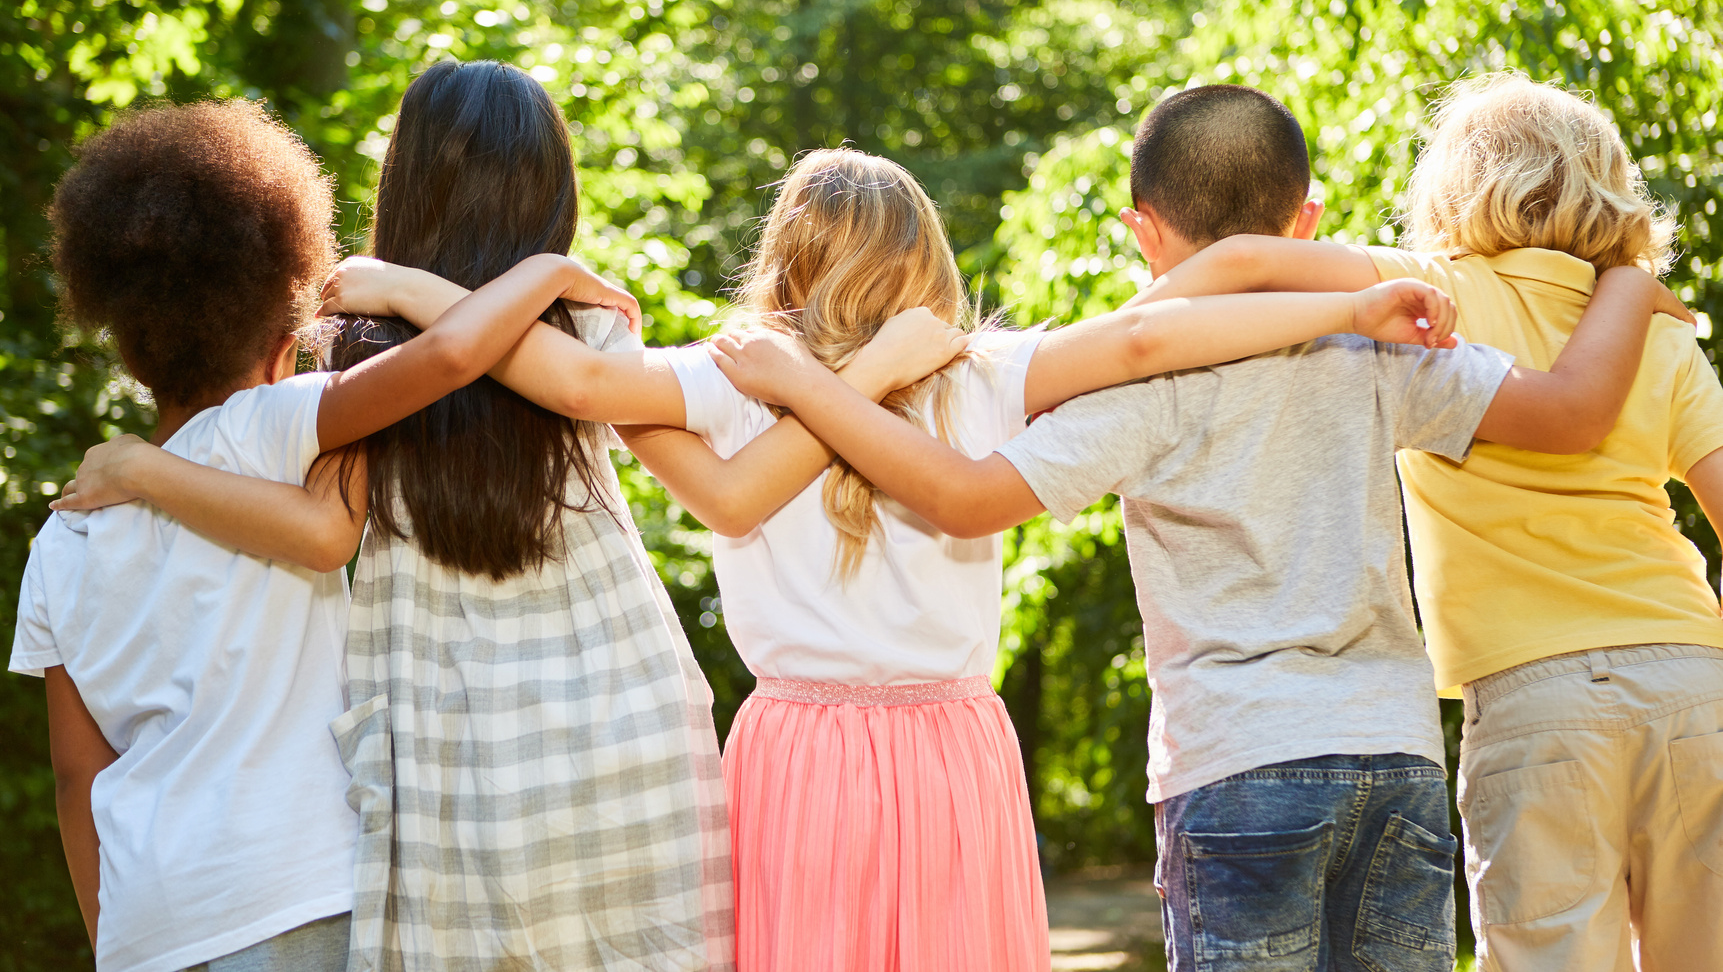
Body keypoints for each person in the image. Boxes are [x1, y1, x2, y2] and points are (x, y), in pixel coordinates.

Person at [271, 142, 1471, 972]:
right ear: (926, 254)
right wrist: (1350, 303)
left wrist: (409, 287)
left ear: (786, 261)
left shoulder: (726, 377)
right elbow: (1159, 330)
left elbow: (573, 377)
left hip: (796, 750)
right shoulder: (983, 372)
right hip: (954, 746)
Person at [697, 88, 1682, 972]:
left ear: (1141, 231)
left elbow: (963, 497)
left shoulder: (1139, 381)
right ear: (1308, 221)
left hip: (1236, 759)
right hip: (1393, 755)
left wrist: (814, 388)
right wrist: (1627, 275)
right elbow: (1567, 414)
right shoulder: (1377, 345)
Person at [49, 63, 974, 972]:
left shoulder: (351, 347)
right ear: (550, 195)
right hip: (619, 710)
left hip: (444, 735)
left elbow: (328, 523)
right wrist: (866, 373)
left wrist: (148, 465)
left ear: (406, 187)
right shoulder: (585, 324)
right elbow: (725, 490)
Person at [10, 99, 630, 972]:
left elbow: (78, 776)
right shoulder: (281, 425)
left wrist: (118, 939)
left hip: (151, 927)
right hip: (299, 889)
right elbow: (452, 356)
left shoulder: (60, 542)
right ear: (280, 332)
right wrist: (548, 270)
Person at [1135, 73, 1723, 970]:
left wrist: (1121, 333)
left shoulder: (1433, 288)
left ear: (1454, 187)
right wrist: (1633, 290)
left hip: (1536, 701)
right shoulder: (1661, 333)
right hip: (1693, 680)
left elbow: (1246, 260)